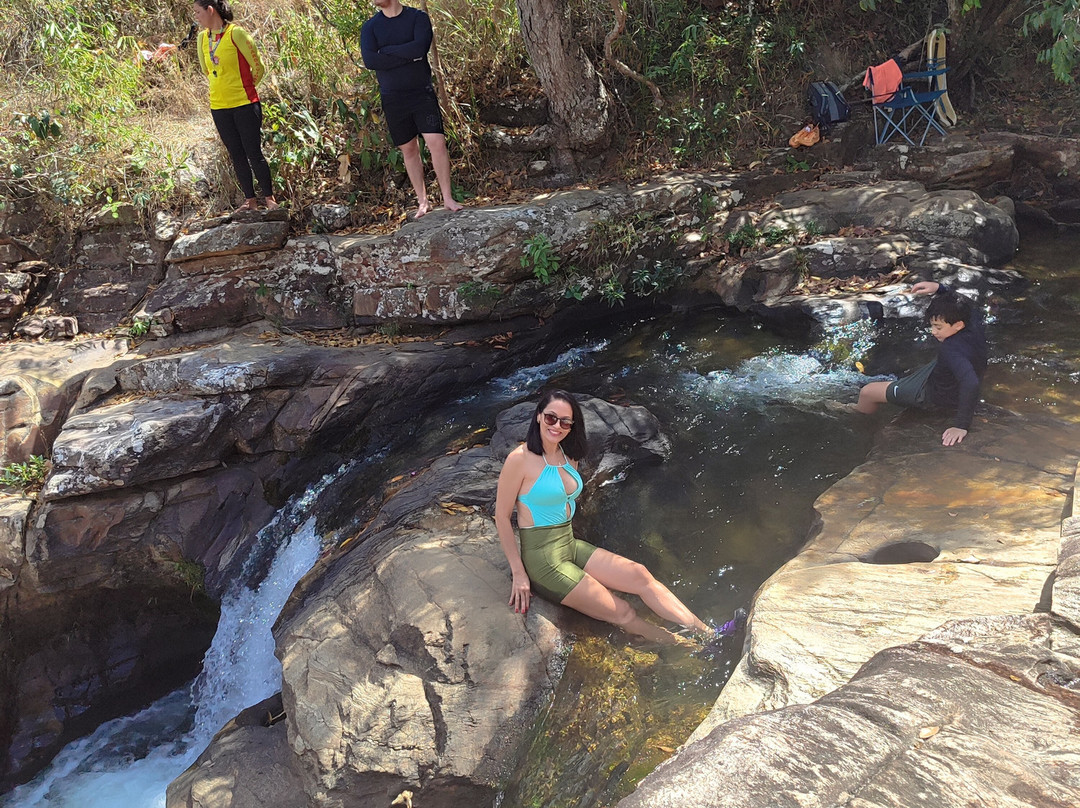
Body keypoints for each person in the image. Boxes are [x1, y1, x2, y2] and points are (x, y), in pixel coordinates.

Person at [494, 389, 744, 644]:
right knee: (624, 612)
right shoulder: (520, 460)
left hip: (568, 544)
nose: (557, 426)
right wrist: (519, 572)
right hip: (544, 563)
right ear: (538, 417)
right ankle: (692, 647)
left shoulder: (568, 456)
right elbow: (501, 517)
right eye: (551, 418)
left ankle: (711, 635)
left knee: (640, 575)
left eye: (565, 421)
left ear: (572, 426)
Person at [359, 0, 463, 219]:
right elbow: (370, 60)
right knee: (409, 149)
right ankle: (423, 201)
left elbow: (420, 48)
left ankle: (448, 198)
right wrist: (407, 55)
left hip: (421, 93)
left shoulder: (417, 18)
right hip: (392, 97)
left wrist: (386, 53)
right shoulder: (370, 27)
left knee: (437, 142)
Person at [852, 281, 986, 446]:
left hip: (934, 394)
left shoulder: (951, 350)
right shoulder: (973, 320)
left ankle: (858, 417)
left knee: (868, 392)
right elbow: (964, 301)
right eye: (932, 325)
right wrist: (939, 288)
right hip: (947, 374)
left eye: (938, 327)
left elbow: (971, 382)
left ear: (958, 325)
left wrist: (961, 425)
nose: (933, 331)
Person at [193, 0, 278, 213]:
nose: (196, 16)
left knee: (253, 152)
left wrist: (245, 87)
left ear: (210, 10)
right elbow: (206, 69)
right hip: (219, 107)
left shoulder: (236, 34)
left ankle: (269, 198)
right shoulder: (203, 38)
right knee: (236, 154)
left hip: (244, 104)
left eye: (198, 12)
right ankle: (250, 200)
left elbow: (258, 67)